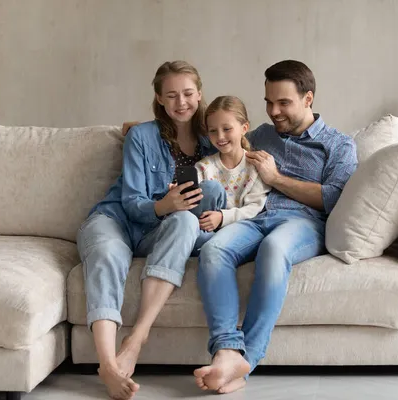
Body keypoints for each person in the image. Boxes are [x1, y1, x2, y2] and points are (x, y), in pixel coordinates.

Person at [193, 60, 358, 394]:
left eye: (284, 103)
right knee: (213, 250)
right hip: (255, 218)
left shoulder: (338, 145)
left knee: (274, 249)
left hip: (302, 224)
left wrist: (275, 178)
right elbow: (222, 136)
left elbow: (333, 199)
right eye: (269, 102)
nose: (274, 110)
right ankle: (226, 350)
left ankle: (247, 357)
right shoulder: (263, 135)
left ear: (308, 99)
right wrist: (152, 130)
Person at [77, 60, 225, 400]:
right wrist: (165, 205)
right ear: (159, 99)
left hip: (158, 233)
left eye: (188, 93)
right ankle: (108, 366)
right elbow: (131, 202)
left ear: (200, 94)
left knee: (187, 220)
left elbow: (241, 136)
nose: (181, 102)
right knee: (107, 253)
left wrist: (188, 212)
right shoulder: (142, 136)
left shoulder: (212, 141)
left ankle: (137, 338)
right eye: (171, 95)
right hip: (116, 220)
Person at [195, 95, 271, 233]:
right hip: (205, 232)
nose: (220, 137)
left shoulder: (256, 166)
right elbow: (194, 204)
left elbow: (254, 208)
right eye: (213, 131)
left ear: (244, 128)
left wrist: (223, 217)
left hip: (240, 232)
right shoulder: (203, 167)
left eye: (227, 129)